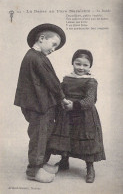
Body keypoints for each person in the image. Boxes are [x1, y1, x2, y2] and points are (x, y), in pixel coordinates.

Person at [14, 23, 70, 183]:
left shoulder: (34, 56)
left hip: (40, 104)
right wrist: (62, 98)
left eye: (56, 48)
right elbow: (51, 82)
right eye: (53, 45)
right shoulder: (36, 58)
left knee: (43, 134)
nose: (54, 50)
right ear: (42, 38)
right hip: (38, 106)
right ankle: (33, 171)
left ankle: (41, 163)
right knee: (39, 136)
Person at [48, 49, 106, 183]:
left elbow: (90, 100)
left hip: (84, 114)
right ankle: (64, 160)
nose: (81, 67)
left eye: (85, 65)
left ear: (90, 66)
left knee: (85, 139)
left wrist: (74, 105)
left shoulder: (91, 81)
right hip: (66, 112)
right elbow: (59, 92)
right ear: (72, 63)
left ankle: (90, 168)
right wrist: (62, 101)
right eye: (78, 63)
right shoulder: (67, 79)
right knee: (67, 135)